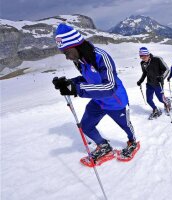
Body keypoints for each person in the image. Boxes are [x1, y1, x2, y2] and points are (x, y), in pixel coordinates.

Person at [52, 24, 139, 162]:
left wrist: (77, 89)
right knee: (86, 126)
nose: (67, 58)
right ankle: (104, 146)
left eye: (67, 53)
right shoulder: (79, 61)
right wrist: (70, 83)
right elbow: (87, 79)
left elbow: (110, 86)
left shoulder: (101, 57)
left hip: (116, 101)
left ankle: (133, 141)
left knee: (126, 126)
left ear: (76, 45)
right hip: (98, 101)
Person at [136, 47, 170, 119]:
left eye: (144, 56)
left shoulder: (157, 59)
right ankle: (155, 109)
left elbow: (167, 69)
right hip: (149, 84)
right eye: (141, 56)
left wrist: (162, 77)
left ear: (148, 54)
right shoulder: (142, 63)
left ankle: (167, 103)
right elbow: (145, 73)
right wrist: (140, 81)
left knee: (161, 99)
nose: (142, 58)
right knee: (149, 100)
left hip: (158, 84)